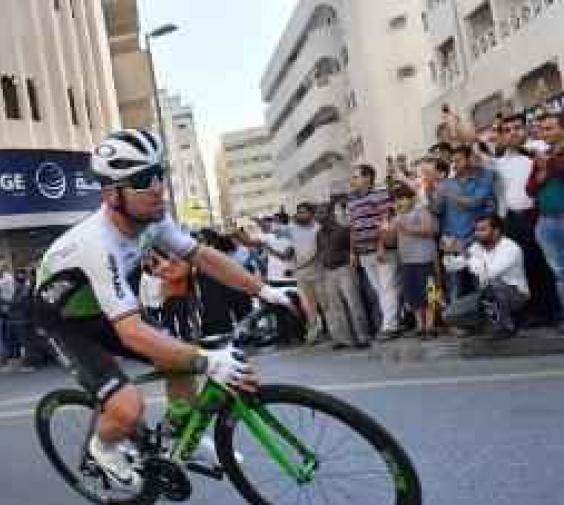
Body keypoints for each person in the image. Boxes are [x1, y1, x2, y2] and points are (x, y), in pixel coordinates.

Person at [32, 128, 293, 486]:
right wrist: (205, 360)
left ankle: (176, 433)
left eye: (160, 173)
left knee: (177, 358)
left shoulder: (154, 219)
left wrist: (265, 290)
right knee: (128, 408)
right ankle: (103, 448)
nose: (157, 187)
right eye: (142, 180)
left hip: (103, 308)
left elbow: (202, 257)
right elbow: (131, 332)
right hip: (64, 321)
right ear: (112, 194)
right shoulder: (97, 242)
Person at [492, 113, 560, 325]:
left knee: (548, 266)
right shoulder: (499, 163)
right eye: (508, 130)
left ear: (527, 129)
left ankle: (554, 311)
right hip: (512, 219)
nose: (513, 132)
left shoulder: (541, 150)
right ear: (502, 136)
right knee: (524, 266)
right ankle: (535, 312)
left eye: (517, 128)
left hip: (540, 215)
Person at [445, 214, 529, 338]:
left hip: (515, 294)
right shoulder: (477, 247)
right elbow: (452, 266)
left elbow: (489, 273)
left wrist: (467, 255)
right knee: (449, 314)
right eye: (476, 230)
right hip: (488, 294)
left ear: (496, 231)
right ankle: (484, 326)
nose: (477, 233)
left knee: (493, 286)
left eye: (482, 230)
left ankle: (505, 327)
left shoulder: (510, 248)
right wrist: (449, 250)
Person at [435, 144, 497, 303]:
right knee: (456, 285)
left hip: (478, 238)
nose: (454, 165)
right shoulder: (445, 184)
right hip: (452, 241)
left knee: (481, 281)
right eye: (452, 161)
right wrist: (432, 191)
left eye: (458, 160)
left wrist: (448, 193)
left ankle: (488, 318)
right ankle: (459, 323)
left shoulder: (486, 176)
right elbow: (436, 210)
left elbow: (474, 202)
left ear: (470, 159)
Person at [348, 164, 400, 339]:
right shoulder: (352, 200)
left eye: (356, 177)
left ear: (367, 178)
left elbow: (385, 221)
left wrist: (381, 246)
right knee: (380, 289)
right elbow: (354, 227)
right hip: (363, 252)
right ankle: (395, 320)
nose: (352, 180)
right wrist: (353, 252)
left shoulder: (381, 194)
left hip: (382, 250)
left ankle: (390, 327)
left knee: (387, 288)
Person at [384, 184, 439, 339]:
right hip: (406, 259)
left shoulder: (421, 210)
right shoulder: (396, 216)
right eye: (396, 199)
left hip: (424, 258)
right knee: (412, 294)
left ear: (411, 198)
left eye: (402, 198)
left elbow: (430, 229)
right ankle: (419, 325)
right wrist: (386, 231)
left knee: (430, 292)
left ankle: (431, 325)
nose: (399, 202)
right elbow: (391, 241)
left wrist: (407, 228)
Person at [528, 111, 564, 328]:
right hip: (546, 222)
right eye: (541, 129)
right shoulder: (543, 157)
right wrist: (541, 172)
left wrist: (549, 166)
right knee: (559, 273)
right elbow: (530, 189)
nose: (544, 133)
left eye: (549, 128)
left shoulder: (550, 159)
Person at [317, 204, 371, 349]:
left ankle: (362, 337)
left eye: (322, 213)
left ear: (330, 215)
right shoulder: (319, 234)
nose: (319, 216)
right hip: (328, 272)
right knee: (336, 307)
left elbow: (354, 246)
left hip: (344, 269)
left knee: (354, 303)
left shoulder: (343, 230)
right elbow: (321, 251)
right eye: (318, 214)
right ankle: (345, 339)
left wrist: (352, 257)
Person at [285, 202, 325, 343]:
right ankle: (313, 333)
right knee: (308, 306)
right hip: (301, 274)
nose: (301, 215)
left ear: (311, 213)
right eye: (299, 212)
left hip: (318, 271)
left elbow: (320, 251)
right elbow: (289, 248)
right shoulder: (292, 229)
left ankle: (333, 330)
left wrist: (303, 264)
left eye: (304, 212)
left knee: (325, 304)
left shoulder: (318, 228)